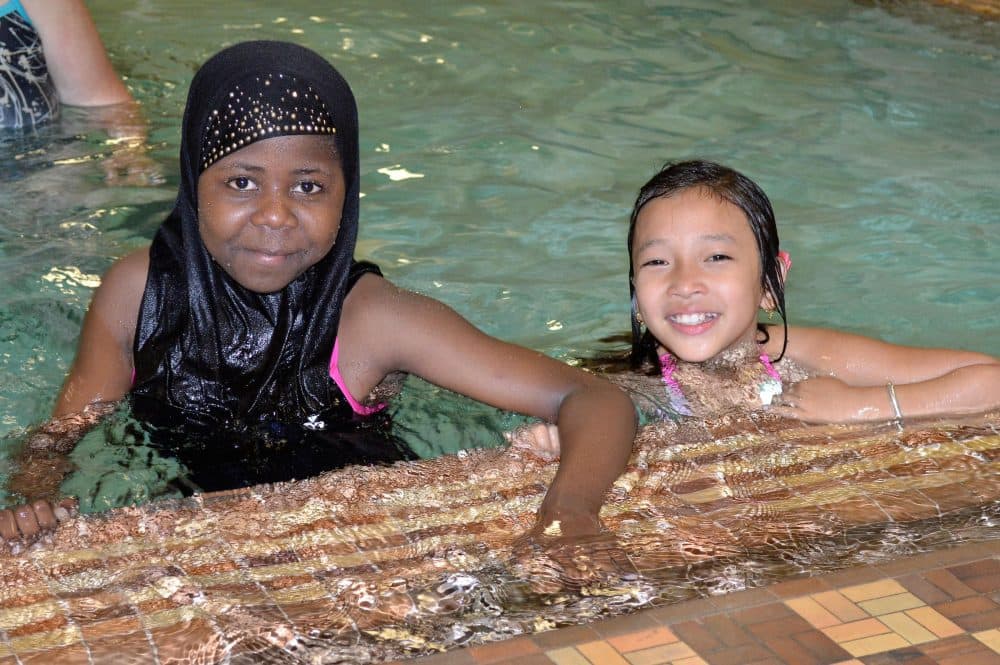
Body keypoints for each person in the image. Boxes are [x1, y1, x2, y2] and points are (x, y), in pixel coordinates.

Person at [0, 40, 636, 545]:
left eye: (308, 187)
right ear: (195, 184)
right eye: (242, 183)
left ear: (346, 194)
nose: (275, 215)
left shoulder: (372, 320)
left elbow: (591, 397)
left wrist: (568, 511)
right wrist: (29, 503)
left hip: (367, 541)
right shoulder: (138, 293)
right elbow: (62, 434)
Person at [513, 159, 1000, 457]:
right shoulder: (625, 385)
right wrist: (567, 441)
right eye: (658, 262)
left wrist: (861, 406)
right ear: (636, 293)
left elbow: (990, 378)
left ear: (771, 281)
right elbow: (582, 418)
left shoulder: (802, 355)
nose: (685, 283)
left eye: (717, 257)